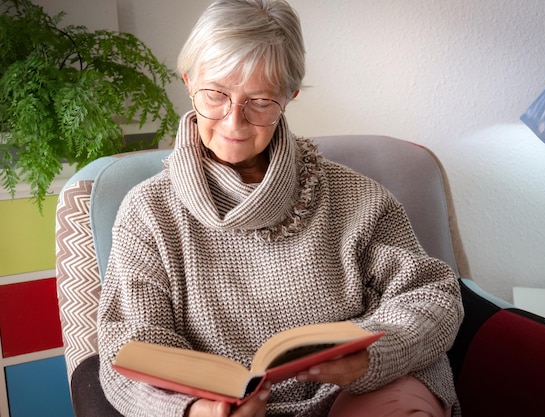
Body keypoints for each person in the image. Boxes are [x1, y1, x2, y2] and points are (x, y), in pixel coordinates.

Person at [96, 1, 464, 416]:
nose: (234, 122)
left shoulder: (357, 197)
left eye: (260, 101)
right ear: (188, 81)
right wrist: (195, 409)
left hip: (361, 395)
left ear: (288, 96)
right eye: (215, 95)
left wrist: (371, 359)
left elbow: (434, 296)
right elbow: (127, 347)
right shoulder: (148, 211)